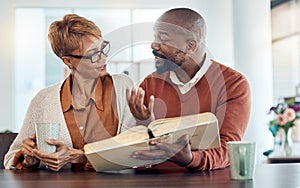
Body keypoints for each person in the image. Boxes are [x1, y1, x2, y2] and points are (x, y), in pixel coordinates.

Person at [4, 14, 135, 171]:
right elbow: (11, 160)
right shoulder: (43, 100)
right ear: (67, 61)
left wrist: (80, 157)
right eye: (93, 54)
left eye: (103, 48)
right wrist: (30, 160)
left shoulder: (122, 87)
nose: (103, 58)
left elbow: (132, 153)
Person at [127, 8, 251, 171]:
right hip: (154, 181)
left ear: (190, 45)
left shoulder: (233, 84)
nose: (154, 44)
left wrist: (190, 159)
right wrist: (145, 123)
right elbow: (135, 149)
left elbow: (228, 149)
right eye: (155, 37)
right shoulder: (150, 84)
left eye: (163, 39)